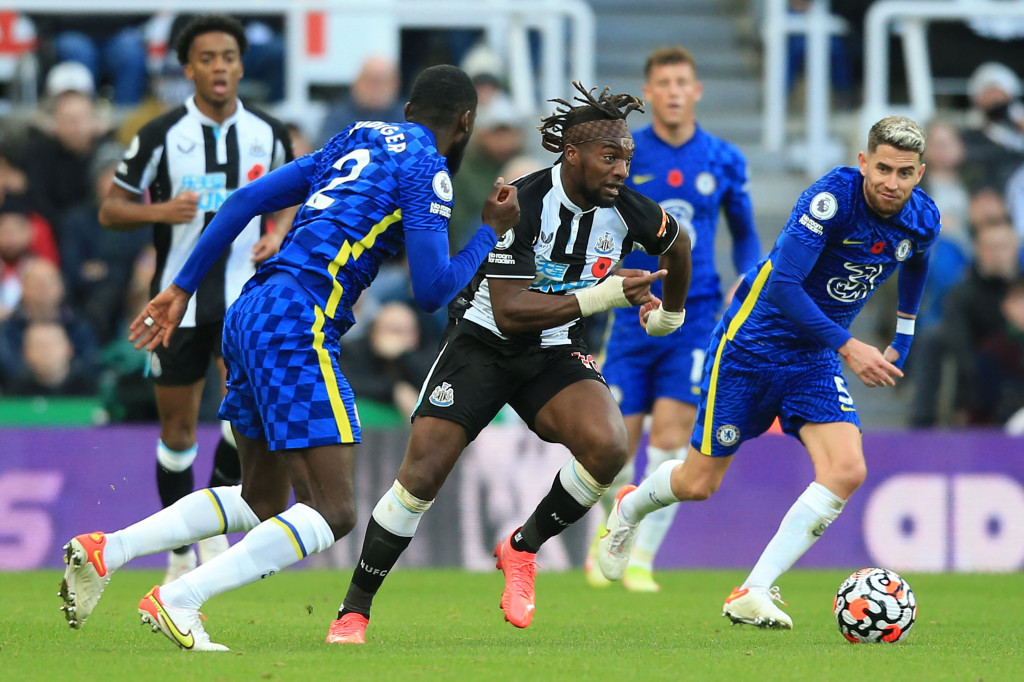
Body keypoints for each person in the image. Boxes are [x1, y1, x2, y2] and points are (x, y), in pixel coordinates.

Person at [59, 63, 519, 652]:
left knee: (261, 499)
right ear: (466, 122)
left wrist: (181, 287)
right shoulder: (426, 168)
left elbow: (246, 199)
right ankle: (180, 598)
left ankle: (110, 549)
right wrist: (488, 233)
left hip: (251, 310)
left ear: (407, 110)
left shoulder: (357, 137)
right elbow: (432, 291)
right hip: (299, 321)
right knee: (334, 510)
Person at [326, 82, 692, 645]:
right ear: (572, 153)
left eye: (626, 158)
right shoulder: (519, 201)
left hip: (554, 349)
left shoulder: (627, 208)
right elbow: (511, 310)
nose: (621, 169)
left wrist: (670, 314)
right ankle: (353, 610)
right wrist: (606, 295)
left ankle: (521, 548)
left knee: (608, 448)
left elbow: (678, 246)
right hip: (483, 344)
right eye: (609, 156)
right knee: (420, 478)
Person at [596, 116, 941, 630]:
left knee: (847, 470)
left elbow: (915, 259)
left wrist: (904, 333)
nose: (892, 182)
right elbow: (783, 287)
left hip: (813, 359)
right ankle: (629, 507)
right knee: (697, 483)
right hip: (749, 349)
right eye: (883, 169)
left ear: (920, 173)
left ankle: (752, 590)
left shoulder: (922, 217)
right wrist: (851, 346)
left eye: (905, 172)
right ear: (863, 162)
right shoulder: (830, 201)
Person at [96, 15, 296, 584]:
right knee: (179, 433)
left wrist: (278, 232)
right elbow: (111, 208)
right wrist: (161, 210)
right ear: (189, 69)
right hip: (177, 302)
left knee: (242, 420)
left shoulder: (268, 132)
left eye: (228, 57)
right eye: (207, 58)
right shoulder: (161, 133)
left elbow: (295, 194)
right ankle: (180, 552)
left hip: (245, 300)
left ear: (241, 65)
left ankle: (209, 527)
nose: (219, 67)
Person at [585, 46, 761, 593]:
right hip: (631, 309)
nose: (674, 91)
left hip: (695, 313)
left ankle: (641, 559)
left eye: (682, 81)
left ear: (697, 90)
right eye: (663, 83)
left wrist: (748, 277)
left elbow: (745, 232)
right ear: (649, 93)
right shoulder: (626, 155)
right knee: (615, 445)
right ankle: (610, 534)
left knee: (669, 439)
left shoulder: (724, 158)